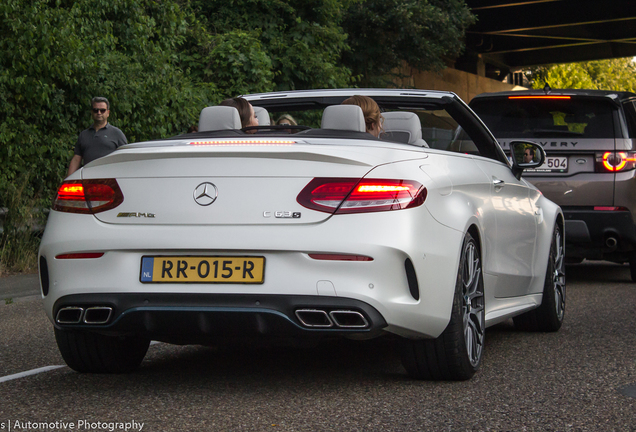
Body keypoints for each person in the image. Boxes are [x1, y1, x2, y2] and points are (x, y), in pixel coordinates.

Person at [67, 97, 127, 177]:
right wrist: (68, 179)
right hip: (88, 180)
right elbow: (76, 159)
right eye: (96, 110)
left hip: (110, 181)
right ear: (91, 112)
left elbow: (125, 158)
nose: (99, 113)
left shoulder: (117, 134)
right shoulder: (84, 135)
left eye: (102, 110)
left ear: (108, 113)